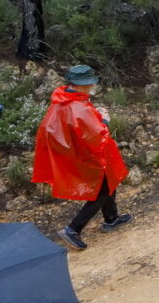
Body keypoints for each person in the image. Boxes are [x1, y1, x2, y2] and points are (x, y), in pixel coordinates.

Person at [32, 65, 131, 251]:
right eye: (89, 82)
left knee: (109, 182)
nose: (92, 84)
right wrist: (104, 119)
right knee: (102, 189)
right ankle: (73, 229)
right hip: (89, 155)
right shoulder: (78, 106)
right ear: (82, 84)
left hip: (76, 153)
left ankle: (112, 218)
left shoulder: (63, 100)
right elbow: (97, 135)